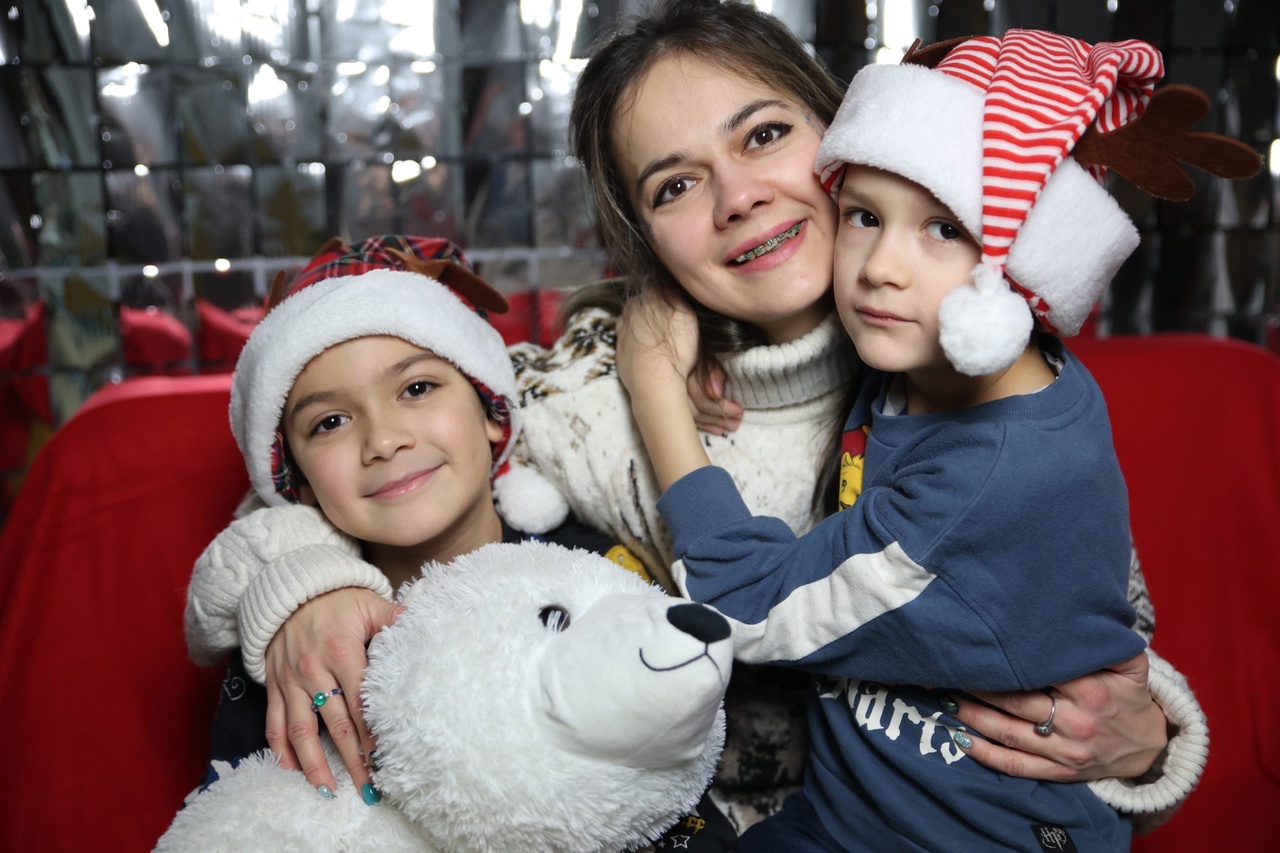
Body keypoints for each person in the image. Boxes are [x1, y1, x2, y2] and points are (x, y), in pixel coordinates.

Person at [186, 0, 1207, 836]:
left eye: (764, 135)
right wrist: (309, 585)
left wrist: (1147, 743)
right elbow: (358, 448)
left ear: (850, 136)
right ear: (643, 239)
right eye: (676, 184)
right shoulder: (583, 394)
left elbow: (1077, 637)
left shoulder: (975, 369)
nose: (737, 198)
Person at [615, 27, 1257, 850]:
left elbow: (744, 601)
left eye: (945, 228)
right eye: (865, 216)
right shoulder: (918, 359)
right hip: (836, 810)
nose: (881, 267)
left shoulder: (987, 448)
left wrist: (656, 390)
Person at [182, 234, 737, 852]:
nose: (383, 440)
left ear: (492, 412)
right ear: (300, 482)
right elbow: (238, 818)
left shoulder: (590, 574)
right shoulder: (302, 641)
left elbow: (673, 790)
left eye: (417, 388)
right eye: (329, 422)